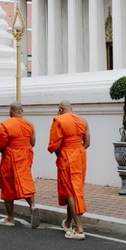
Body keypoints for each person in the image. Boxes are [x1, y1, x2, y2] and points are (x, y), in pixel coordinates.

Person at [48, 101, 90, 240]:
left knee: (70, 191)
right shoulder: (82, 120)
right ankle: (68, 222)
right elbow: (87, 143)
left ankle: (79, 229)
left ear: (60, 109)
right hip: (80, 156)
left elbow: (54, 145)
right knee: (75, 188)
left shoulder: (59, 120)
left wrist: (63, 154)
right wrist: (76, 151)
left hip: (67, 155)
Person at [0, 101, 40, 228]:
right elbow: (32, 142)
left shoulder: (5, 125)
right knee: (25, 181)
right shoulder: (29, 124)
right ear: (22, 111)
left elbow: (0, 145)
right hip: (25, 156)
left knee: (8, 186)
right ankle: (32, 206)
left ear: (10, 111)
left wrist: (8, 151)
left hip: (10, 157)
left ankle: (10, 218)